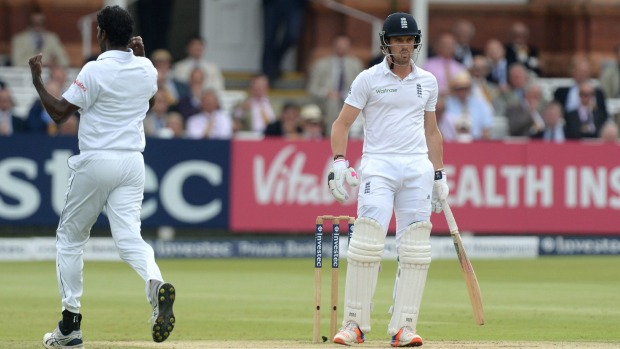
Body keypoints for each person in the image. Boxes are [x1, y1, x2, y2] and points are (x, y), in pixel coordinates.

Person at [28, 6, 176, 348]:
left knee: (69, 238)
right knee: (129, 238)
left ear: (101, 34)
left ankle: (70, 325)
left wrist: (37, 80)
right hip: (132, 164)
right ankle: (155, 282)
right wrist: (141, 58)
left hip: (97, 161)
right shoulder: (146, 67)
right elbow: (148, 103)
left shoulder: (94, 70)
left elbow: (59, 114)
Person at [329, 12, 447, 347]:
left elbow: (432, 131)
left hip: (416, 168)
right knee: (366, 242)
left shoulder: (427, 81)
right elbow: (341, 124)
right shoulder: (368, 79)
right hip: (378, 166)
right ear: (386, 43)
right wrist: (339, 163)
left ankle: (403, 327)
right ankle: (354, 325)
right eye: (398, 40)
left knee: (415, 249)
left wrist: (439, 174)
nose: (405, 46)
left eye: (409, 40)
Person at [307, 35, 363, 136]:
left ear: (349, 47)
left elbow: (361, 87)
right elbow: (312, 88)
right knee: (333, 101)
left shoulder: (355, 64)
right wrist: (327, 93)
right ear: (334, 46)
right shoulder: (321, 64)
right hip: (325, 101)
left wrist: (348, 95)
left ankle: (351, 138)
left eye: (344, 45)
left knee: (352, 104)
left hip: (349, 98)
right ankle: (332, 136)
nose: (342, 48)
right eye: (339, 45)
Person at [261, 0, 307, 82]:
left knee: (292, 36)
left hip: (295, 4)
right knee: (269, 38)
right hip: (272, 3)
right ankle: (267, 74)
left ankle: (274, 62)